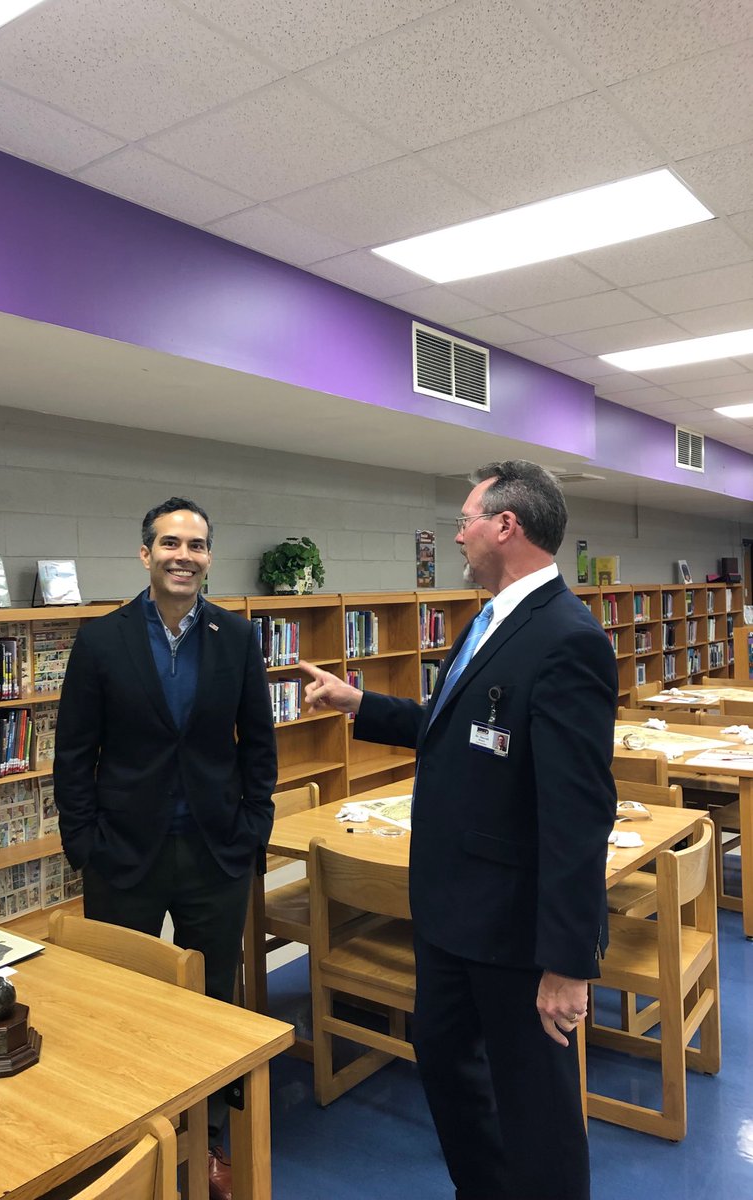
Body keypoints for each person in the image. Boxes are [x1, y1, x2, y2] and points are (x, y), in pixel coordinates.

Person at [301, 461, 617, 1200]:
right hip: (448, 910)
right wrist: (360, 703)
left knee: (534, 1102)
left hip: (513, 926)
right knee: (444, 1060)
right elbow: (454, 729)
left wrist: (570, 962)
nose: (457, 535)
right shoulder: (485, 620)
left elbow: (579, 813)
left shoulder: (567, 638)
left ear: (505, 526)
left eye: (465, 521)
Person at [54, 496, 277, 1200]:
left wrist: (252, 830)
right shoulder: (102, 640)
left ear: (209, 557)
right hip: (124, 852)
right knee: (121, 1000)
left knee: (216, 997)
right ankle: (125, 1142)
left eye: (197, 544)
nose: (184, 554)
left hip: (215, 849)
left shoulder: (236, 638)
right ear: (145, 553)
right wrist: (84, 844)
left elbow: (257, 746)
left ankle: (207, 1140)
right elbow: (73, 754)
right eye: (169, 542)